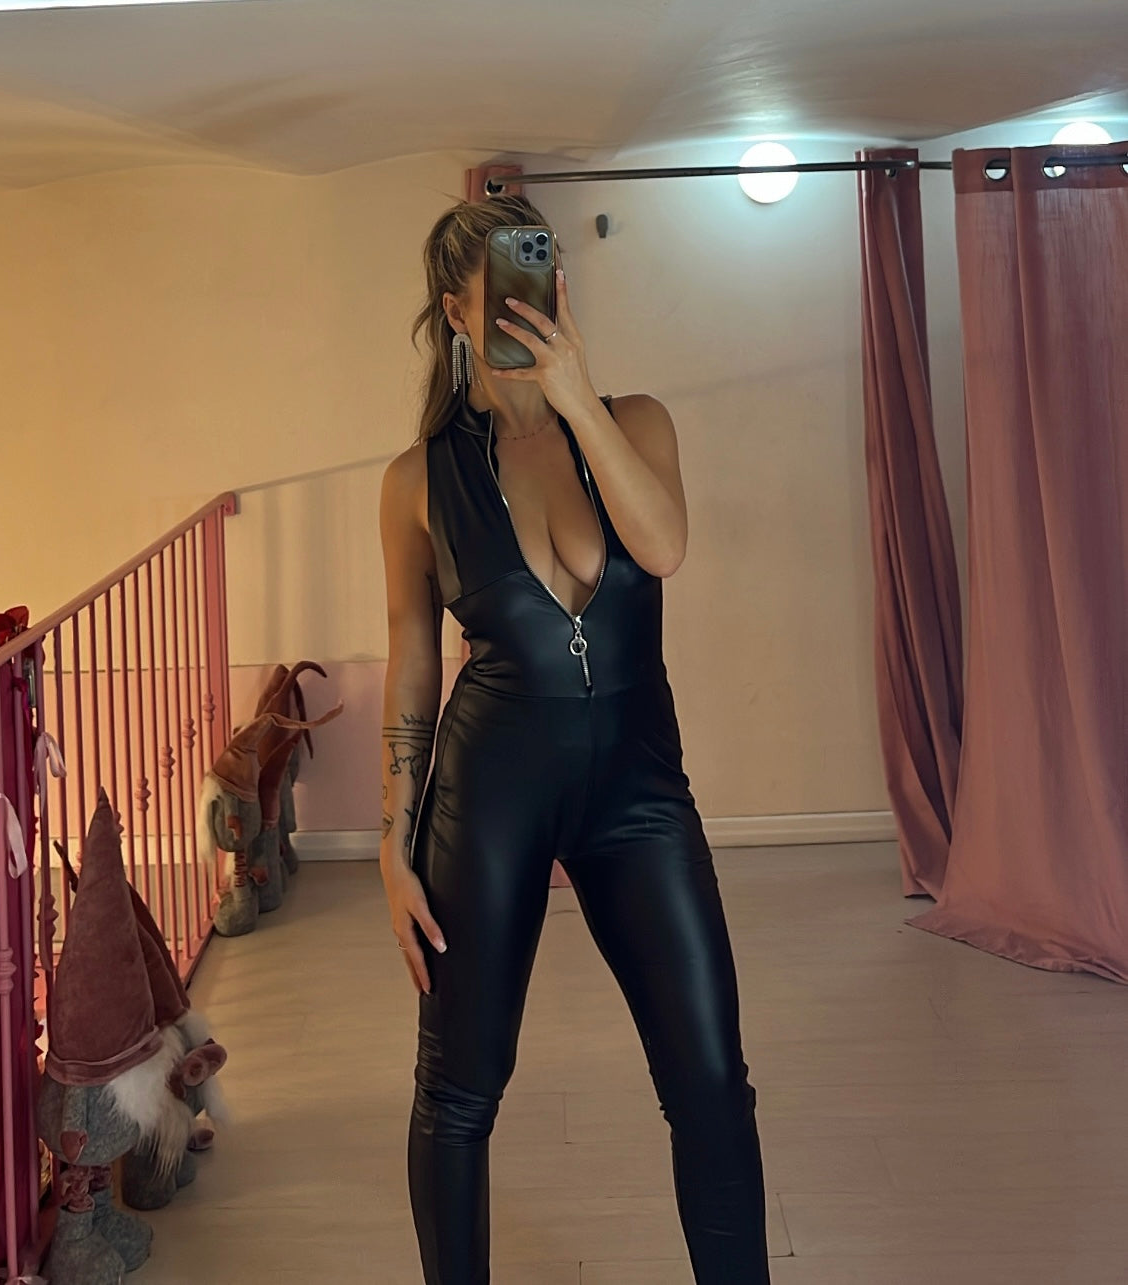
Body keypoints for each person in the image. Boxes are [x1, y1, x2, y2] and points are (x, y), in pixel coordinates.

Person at [378, 194, 770, 1285]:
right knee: (460, 1090)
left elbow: (666, 545)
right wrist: (391, 837)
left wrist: (575, 400)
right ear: (457, 314)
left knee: (710, 1080)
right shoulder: (417, 481)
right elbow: (413, 659)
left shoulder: (634, 420)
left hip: (639, 790)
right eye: (499, 288)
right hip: (489, 786)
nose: (528, 302)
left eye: (540, 274)